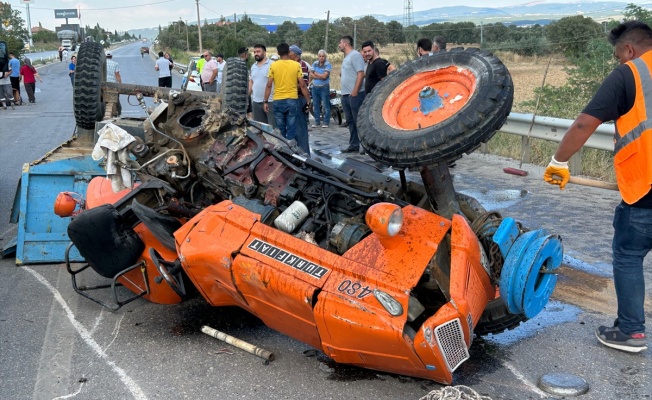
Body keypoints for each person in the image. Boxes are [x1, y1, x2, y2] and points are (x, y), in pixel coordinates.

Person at [543, 20, 652, 353]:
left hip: (646, 189)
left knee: (629, 256)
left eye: (618, 55)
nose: (619, 61)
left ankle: (632, 332)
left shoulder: (631, 73)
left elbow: (584, 123)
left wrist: (559, 161)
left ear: (629, 49)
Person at [264, 43, 310, 153]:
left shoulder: (273, 66)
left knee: (280, 130)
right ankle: (291, 152)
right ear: (288, 52)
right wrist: (308, 100)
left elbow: (269, 85)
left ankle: (282, 151)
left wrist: (265, 101)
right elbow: (302, 85)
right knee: (291, 129)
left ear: (278, 53)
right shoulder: (296, 65)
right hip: (292, 101)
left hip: (278, 101)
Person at [338, 35, 366, 153]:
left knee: (358, 121)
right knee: (350, 121)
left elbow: (361, 74)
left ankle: (365, 146)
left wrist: (355, 91)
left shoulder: (355, 55)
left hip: (355, 94)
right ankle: (354, 144)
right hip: (346, 94)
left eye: (340, 43)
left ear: (345, 44)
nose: (339, 45)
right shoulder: (346, 57)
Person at [288, 45, 311, 153]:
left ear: (295, 54)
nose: (288, 54)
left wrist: (288, 86)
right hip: (293, 99)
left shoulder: (301, 65)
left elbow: (304, 84)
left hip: (299, 100)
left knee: (301, 130)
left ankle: (305, 154)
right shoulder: (292, 64)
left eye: (290, 52)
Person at [248, 44, 275, 127]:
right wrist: (247, 96)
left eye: (258, 51)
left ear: (264, 53)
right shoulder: (253, 66)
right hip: (256, 101)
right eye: (255, 52)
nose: (256, 54)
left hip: (270, 101)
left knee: (272, 128)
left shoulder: (272, 64)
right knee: (259, 128)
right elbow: (251, 82)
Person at [310, 49, 332, 128]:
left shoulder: (328, 64)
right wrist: (319, 75)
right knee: (315, 105)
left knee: (326, 105)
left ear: (325, 57)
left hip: (324, 87)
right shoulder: (315, 63)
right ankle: (317, 122)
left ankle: (326, 122)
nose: (321, 58)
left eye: (323, 56)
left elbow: (325, 76)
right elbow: (311, 74)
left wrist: (315, 74)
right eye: (320, 56)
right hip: (315, 87)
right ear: (318, 57)